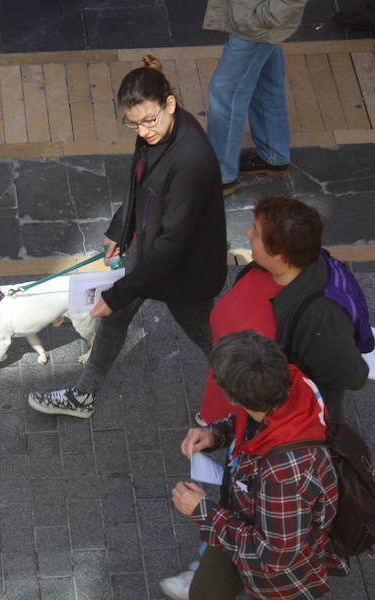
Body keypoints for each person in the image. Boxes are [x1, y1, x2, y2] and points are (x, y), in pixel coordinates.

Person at [27, 55, 227, 419]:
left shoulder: (190, 160)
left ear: (170, 103)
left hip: (183, 270)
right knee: (116, 317)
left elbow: (173, 245)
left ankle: (257, 401)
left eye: (149, 120)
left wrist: (119, 293)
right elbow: (140, 184)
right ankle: (83, 396)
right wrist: (121, 228)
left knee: (213, 343)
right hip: (151, 250)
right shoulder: (156, 132)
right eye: (133, 124)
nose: (143, 131)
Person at [166, 330, 347, 600]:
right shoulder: (288, 386)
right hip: (238, 520)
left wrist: (204, 511)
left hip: (276, 581)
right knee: (204, 592)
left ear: (235, 398)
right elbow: (250, 423)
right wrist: (217, 433)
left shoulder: (283, 474)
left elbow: (276, 555)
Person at [198, 196, 368, 426]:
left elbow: (351, 375)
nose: (248, 234)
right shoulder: (265, 267)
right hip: (238, 396)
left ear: (278, 252)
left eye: (256, 232)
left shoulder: (320, 317)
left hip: (278, 421)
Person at [203, 0, 309, 196]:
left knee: (225, 94)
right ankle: (273, 154)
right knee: (265, 81)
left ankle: (221, 175)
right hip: (256, 14)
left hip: (256, 20)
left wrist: (262, 18)